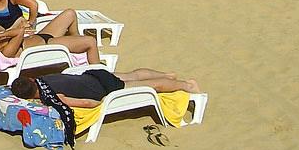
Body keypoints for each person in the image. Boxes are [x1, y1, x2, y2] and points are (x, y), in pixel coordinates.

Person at [11, 67, 199, 109]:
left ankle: (186, 85)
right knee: (133, 75)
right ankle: (167, 75)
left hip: (102, 86)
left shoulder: (52, 95)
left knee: (151, 87)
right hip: (93, 74)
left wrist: (101, 105)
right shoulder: (43, 78)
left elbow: (85, 103)